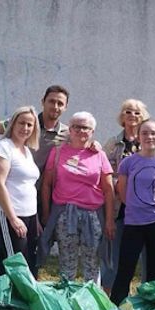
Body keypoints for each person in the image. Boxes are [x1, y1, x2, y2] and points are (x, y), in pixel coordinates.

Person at [39, 112, 115, 282]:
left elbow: (108, 190)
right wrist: (46, 213)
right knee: (67, 263)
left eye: (85, 127)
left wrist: (109, 220)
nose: (81, 131)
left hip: (92, 215)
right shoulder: (57, 152)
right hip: (65, 214)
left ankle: (91, 302)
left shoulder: (99, 154)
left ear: (92, 131)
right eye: (76, 127)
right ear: (70, 129)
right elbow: (46, 184)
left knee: (92, 264)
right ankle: (67, 302)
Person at [111, 119, 155, 305]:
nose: (149, 137)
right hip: (134, 223)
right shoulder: (128, 163)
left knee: (154, 270)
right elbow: (122, 193)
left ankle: (150, 309)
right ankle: (117, 308)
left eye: (153, 133)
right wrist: (136, 207)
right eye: (145, 133)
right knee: (126, 269)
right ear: (138, 136)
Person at [100, 98, 150, 291]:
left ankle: (146, 298)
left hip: (143, 209)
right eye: (128, 111)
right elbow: (104, 173)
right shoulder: (113, 143)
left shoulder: (149, 142)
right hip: (118, 208)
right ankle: (110, 299)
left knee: (145, 257)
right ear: (122, 116)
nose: (132, 116)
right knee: (114, 256)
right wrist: (121, 183)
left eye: (137, 112)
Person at [0, 106, 41, 276]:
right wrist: (13, 218)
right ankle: (0, 300)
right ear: (12, 124)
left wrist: (36, 219)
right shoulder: (3, 147)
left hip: (29, 215)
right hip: (11, 215)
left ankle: (15, 299)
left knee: (26, 262)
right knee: (14, 264)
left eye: (30, 125)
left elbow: (28, 186)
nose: (25, 128)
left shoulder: (26, 151)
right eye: (21, 123)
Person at [0, 85, 70, 174]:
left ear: (65, 107)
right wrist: (0, 157)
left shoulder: (66, 133)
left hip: (36, 185)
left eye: (60, 104)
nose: (55, 107)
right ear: (43, 102)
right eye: (51, 101)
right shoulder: (27, 123)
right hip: (11, 182)